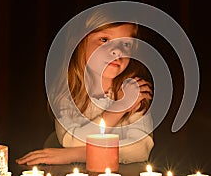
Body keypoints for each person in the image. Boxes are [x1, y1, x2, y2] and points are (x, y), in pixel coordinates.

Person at [16, 16, 154, 166]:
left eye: (126, 43)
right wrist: (119, 108)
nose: (117, 51)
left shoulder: (134, 91)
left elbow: (140, 148)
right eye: (105, 40)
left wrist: (71, 155)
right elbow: (71, 140)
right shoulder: (68, 94)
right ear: (81, 43)